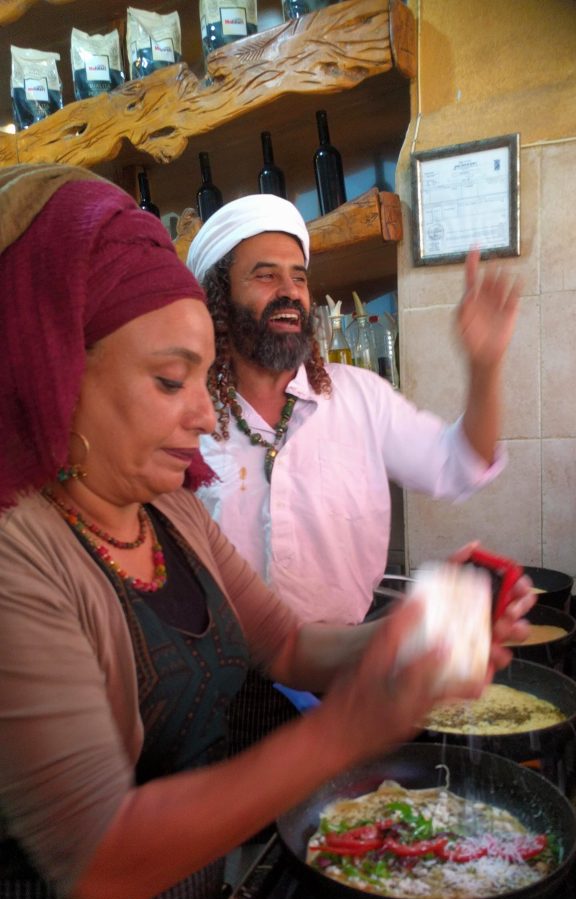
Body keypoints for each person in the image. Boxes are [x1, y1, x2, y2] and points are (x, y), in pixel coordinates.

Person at [0, 164, 531, 899]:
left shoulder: (169, 507)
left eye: (200, 380)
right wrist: (348, 727)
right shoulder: (18, 553)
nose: (202, 416)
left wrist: (419, 627)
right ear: (56, 367)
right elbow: (99, 865)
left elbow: (284, 643)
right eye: (169, 381)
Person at [186, 194, 521, 746]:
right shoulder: (185, 416)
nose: (290, 291)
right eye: (265, 276)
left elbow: (461, 463)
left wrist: (485, 367)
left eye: (298, 277)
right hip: (219, 693)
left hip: (345, 673)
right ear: (220, 298)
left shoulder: (361, 397)